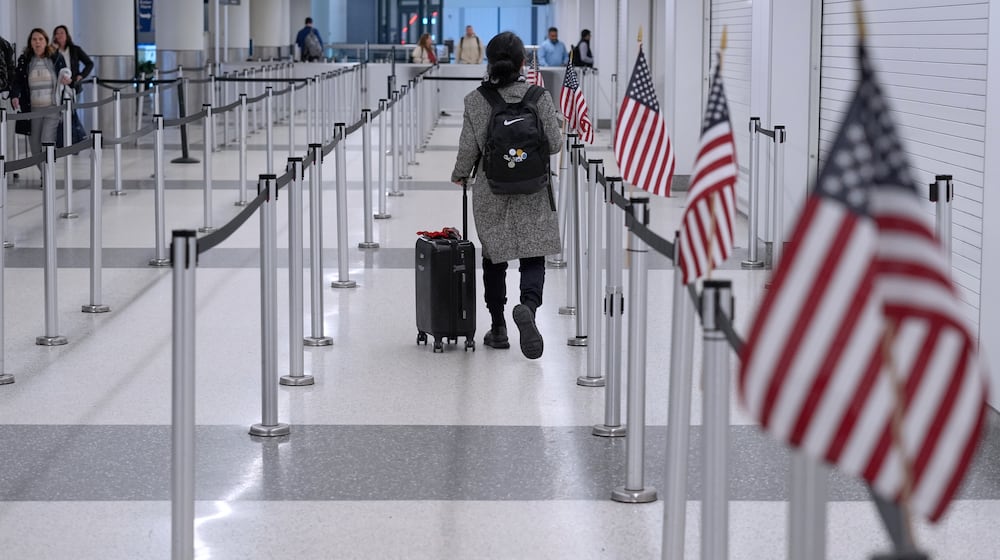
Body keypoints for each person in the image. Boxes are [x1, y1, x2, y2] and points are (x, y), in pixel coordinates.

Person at [450, 31, 562, 360]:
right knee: (533, 254)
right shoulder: (539, 97)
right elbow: (554, 144)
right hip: (534, 188)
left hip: (492, 189)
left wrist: (460, 174)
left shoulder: (475, 99)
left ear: (489, 61)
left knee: (494, 258)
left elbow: (469, 147)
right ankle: (527, 307)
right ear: (522, 62)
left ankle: (498, 327)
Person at [10, 28, 70, 167]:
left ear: (46, 41)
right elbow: (18, 81)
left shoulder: (55, 57)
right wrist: (15, 96)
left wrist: (66, 79)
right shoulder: (25, 60)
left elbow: (65, 73)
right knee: (35, 145)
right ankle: (44, 173)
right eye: (34, 39)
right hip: (33, 109)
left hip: (52, 108)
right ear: (30, 42)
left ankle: (47, 174)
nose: (37, 42)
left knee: (47, 141)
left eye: (40, 39)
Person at [51, 25, 92, 145]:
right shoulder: (53, 51)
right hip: (58, 86)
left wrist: (80, 76)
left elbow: (89, 63)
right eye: (57, 33)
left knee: (72, 113)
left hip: (73, 86)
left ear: (67, 35)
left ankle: (74, 139)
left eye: (62, 33)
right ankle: (62, 140)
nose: (59, 35)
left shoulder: (75, 49)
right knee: (60, 114)